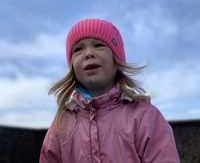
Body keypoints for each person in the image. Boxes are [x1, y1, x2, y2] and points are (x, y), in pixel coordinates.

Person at [40, 18, 180, 163]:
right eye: (78, 49)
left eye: (99, 45)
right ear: (72, 67)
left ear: (116, 60)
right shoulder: (61, 123)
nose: (88, 53)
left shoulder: (146, 117)